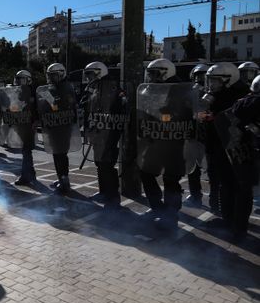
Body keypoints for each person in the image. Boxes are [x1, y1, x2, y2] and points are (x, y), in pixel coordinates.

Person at [138, 59, 192, 230]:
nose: (151, 77)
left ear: (165, 72)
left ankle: (171, 214)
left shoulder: (181, 89)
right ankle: (157, 207)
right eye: (150, 73)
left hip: (174, 141)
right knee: (145, 171)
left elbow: (186, 113)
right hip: (155, 138)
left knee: (171, 178)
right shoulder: (151, 89)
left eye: (155, 73)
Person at [199, 62, 249, 226]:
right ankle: (227, 219)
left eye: (216, 81)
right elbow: (204, 117)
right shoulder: (216, 96)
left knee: (236, 185)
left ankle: (237, 223)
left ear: (229, 80)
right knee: (223, 183)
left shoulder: (241, 96)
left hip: (235, 147)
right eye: (210, 81)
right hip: (216, 145)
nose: (212, 85)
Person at [81, 62, 127, 207]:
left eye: (91, 74)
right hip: (97, 131)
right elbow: (90, 108)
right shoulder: (94, 89)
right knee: (99, 162)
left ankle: (113, 196)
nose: (88, 78)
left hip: (109, 132)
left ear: (99, 72)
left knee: (107, 163)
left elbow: (120, 108)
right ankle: (103, 192)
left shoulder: (113, 87)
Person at [227, 74, 260, 239]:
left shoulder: (244, 102)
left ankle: (239, 230)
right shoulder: (248, 102)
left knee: (244, 192)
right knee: (244, 191)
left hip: (248, 153)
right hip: (251, 150)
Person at [43, 63, 78, 194]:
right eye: (50, 76)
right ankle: (61, 178)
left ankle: (65, 180)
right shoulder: (54, 87)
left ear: (61, 74)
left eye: (53, 75)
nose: (51, 78)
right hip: (54, 125)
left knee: (61, 154)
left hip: (63, 126)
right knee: (56, 153)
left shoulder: (66, 88)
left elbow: (65, 105)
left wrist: (52, 101)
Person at [185, 64, 209, 207]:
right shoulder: (190, 91)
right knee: (192, 167)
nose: (199, 80)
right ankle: (195, 195)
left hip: (207, 135)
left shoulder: (212, 93)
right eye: (197, 76)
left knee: (211, 168)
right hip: (192, 133)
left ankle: (215, 199)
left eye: (202, 76)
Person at [8, 70, 37, 186]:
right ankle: (31, 174)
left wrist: (36, 120)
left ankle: (26, 176)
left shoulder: (32, 92)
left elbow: (36, 108)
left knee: (26, 150)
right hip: (21, 124)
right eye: (18, 79)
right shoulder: (16, 92)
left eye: (22, 79)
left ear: (28, 80)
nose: (19, 82)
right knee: (26, 151)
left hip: (29, 125)